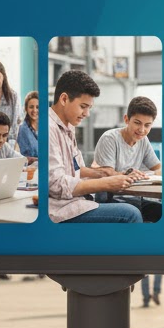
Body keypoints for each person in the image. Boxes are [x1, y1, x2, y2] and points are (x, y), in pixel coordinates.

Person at [47, 69, 142, 224]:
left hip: (76, 201)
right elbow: (57, 185)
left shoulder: (68, 126)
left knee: (123, 202)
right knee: (130, 214)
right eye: (83, 106)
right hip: (60, 209)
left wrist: (108, 174)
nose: (87, 113)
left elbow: (77, 168)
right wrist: (106, 183)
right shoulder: (49, 128)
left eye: (89, 108)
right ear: (64, 99)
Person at [92, 95, 162, 223]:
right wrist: (129, 174)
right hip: (111, 200)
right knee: (135, 214)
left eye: (147, 125)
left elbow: (158, 168)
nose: (142, 130)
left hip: (135, 198)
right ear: (126, 119)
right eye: (137, 123)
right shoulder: (110, 138)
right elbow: (107, 174)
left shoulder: (143, 140)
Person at [17, 90, 40, 161]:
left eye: (37, 107)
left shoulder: (47, 127)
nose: (34, 110)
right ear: (26, 108)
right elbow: (22, 157)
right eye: (31, 107)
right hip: (30, 169)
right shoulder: (22, 130)